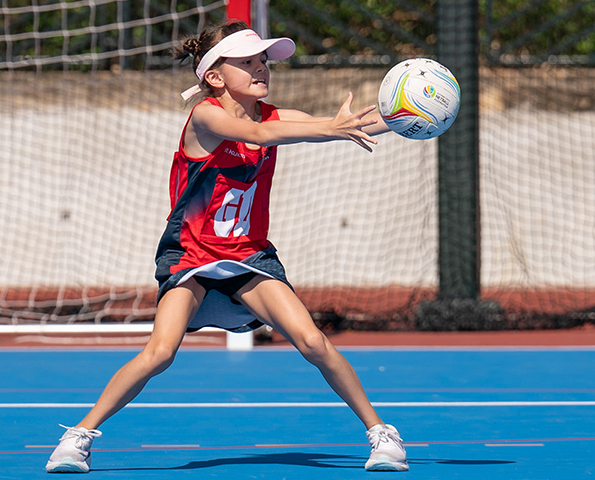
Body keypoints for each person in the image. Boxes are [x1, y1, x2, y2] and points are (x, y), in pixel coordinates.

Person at [45, 20, 408, 473]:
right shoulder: (205, 116)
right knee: (160, 352)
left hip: (249, 259)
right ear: (215, 76)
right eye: (249, 62)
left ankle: (382, 435)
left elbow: (346, 122)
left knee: (313, 340)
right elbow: (258, 137)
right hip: (191, 256)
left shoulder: (273, 117)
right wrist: (329, 130)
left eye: (264, 62)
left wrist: (407, 113)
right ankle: (78, 438)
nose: (262, 69)